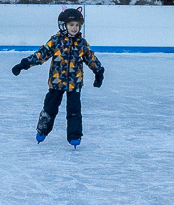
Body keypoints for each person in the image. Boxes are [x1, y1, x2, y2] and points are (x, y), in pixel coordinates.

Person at [11, 8, 104, 147]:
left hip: (74, 83)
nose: (75, 28)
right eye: (71, 25)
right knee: (50, 107)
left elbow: (91, 59)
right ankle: (42, 130)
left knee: (74, 111)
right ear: (63, 25)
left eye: (77, 25)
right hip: (56, 82)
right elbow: (41, 55)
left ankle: (75, 136)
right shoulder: (56, 41)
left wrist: (99, 72)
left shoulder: (81, 43)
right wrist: (23, 64)